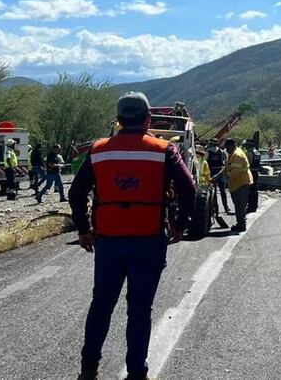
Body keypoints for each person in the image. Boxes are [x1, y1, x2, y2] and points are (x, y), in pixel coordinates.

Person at [69, 92, 195, 380]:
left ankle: (89, 368)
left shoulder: (99, 150)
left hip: (109, 241)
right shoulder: (164, 149)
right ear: (148, 119)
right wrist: (179, 224)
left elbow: (77, 193)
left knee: (101, 305)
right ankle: (137, 372)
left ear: (118, 120)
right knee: (139, 309)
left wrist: (84, 229)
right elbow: (188, 189)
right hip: (148, 239)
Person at [220, 138, 253, 232]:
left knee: (239, 206)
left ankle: (241, 225)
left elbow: (235, 172)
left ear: (232, 146)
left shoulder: (237, 155)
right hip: (238, 183)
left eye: (227, 147)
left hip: (241, 182)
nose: (226, 149)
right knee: (239, 205)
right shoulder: (233, 153)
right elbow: (229, 166)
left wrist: (226, 176)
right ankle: (241, 223)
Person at [205, 139, 232, 214]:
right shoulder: (222, 151)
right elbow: (225, 164)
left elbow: (205, 162)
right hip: (220, 173)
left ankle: (214, 209)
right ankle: (226, 208)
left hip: (212, 173)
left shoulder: (208, 151)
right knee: (222, 191)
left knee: (213, 192)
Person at [245, 141, 261, 213]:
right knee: (254, 189)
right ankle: (254, 205)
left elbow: (247, 164)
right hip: (256, 172)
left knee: (250, 190)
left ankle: (250, 207)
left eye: (246, 145)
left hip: (250, 172)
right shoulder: (257, 152)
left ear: (249, 145)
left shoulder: (249, 153)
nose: (245, 147)